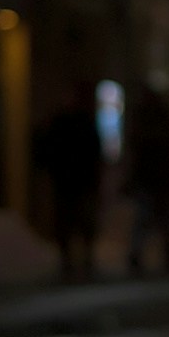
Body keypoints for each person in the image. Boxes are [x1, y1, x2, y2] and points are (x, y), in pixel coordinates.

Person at [31, 91, 106, 280]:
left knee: (76, 223)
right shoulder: (67, 124)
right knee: (70, 224)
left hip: (73, 183)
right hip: (69, 183)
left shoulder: (75, 123)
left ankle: (76, 261)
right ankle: (73, 261)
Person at [122, 79, 169, 276]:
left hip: (157, 178)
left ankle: (163, 255)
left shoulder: (154, 119)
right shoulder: (149, 119)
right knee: (148, 219)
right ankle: (145, 255)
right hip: (151, 178)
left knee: (157, 221)